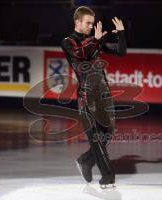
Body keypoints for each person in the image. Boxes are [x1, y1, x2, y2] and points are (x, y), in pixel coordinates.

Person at [61, 6, 127, 188]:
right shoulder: (68, 42)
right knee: (97, 136)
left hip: (103, 92)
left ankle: (85, 161)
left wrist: (121, 34)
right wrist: (96, 41)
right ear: (77, 22)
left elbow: (121, 52)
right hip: (86, 95)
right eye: (88, 23)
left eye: (92, 22)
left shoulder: (93, 40)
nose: (91, 26)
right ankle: (108, 177)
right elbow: (80, 53)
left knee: (107, 133)